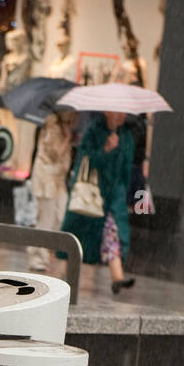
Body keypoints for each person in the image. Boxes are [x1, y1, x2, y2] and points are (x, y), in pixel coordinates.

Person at [62, 111, 135, 295]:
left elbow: (126, 169)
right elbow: (86, 160)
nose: (121, 115)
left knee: (113, 232)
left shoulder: (126, 135)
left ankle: (117, 277)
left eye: (124, 112)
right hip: (92, 194)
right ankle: (66, 277)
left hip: (114, 197)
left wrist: (124, 193)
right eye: (117, 111)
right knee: (81, 237)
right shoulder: (93, 131)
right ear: (107, 112)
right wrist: (106, 150)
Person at [26, 110, 76, 272]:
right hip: (47, 179)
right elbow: (53, 154)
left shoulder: (64, 128)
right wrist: (68, 138)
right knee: (46, 219)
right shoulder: (51, 127)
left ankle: (41, 248)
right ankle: (37, 256)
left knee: (61, 216)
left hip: (59, 180)